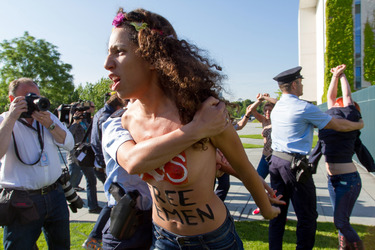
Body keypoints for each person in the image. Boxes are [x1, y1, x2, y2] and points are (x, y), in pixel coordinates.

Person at [105, 8, 281, 249]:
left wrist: (267, 209)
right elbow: (134, 162)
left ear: (152, 57)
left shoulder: (203, 113)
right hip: (162, 238)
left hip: (214, 240)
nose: (107, 64)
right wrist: (197, 131)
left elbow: (243, 166)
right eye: (108, 53)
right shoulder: (127, 119)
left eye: (120, 52)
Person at [268, 66, 364, 250]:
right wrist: (358, 124)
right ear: (295, 84)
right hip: (293, 165)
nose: (302, 85)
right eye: (301, 82)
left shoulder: (278, 105)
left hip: (276, 161)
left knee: (278, 212)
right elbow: (337, 125)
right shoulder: (304, 108)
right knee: (307, 216)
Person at [0, 78, 74, 249]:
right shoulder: (4, 120)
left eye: (36, 96)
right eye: (27, 96)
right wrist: (12, 117)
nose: (34, 100)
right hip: (22, 200)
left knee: (61, 245)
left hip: (55, 195)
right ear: (12, 100)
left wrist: (49, 124)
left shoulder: (48, 118)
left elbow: (69, 144)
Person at [310, 64, 374, 250]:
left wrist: (341, 75)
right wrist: (337, 76)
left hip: (348, 180)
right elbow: (331, 97)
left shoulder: (349, 115)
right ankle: (344, 248)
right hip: (334, 179)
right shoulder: (332, 115)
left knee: (340, 221)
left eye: (341, 101)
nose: (336, 101)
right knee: (341, 220)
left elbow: (345, 97)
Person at [82, 94, 127, 249]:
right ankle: (95, 237)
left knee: (114, 201)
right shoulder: (108, 117)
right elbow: (105, 143)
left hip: (101, 163)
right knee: (114, 201)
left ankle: (96, 236)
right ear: (119, 105)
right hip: (104, 165)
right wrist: (104, 164)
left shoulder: (102, 113)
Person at [67, 107, 102, 214]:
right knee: (69, 184)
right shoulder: (69, 123)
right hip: (75, 157)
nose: (82, 114)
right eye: (79, 113)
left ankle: (93, 206)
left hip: (85, 157)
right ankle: (63, 203)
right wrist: (75, 122)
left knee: (91, 180)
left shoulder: (85, 122)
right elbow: (67, 135)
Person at [247, 93, 277, 215]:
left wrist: (266, 98)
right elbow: (250, 109)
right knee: (257, 181)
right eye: (266, 110)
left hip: (276, 157)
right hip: (265, 157)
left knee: (276, 185)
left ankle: (276, 207)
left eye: (270, 110)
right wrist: (259, 100)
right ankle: (263, 204)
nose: (268, 112)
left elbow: (280, 103)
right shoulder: (264, 121)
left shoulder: (278, 120)